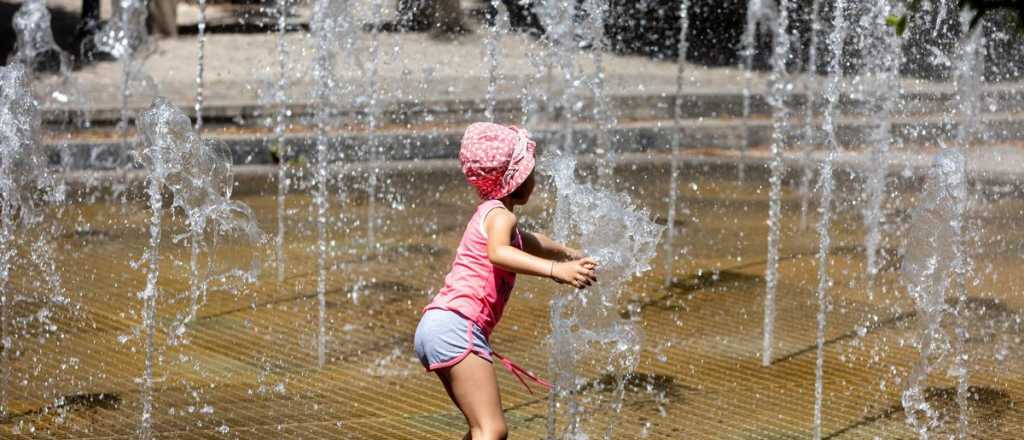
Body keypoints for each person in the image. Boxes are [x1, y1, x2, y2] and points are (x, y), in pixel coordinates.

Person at [413, 122, 598, 439]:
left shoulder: (491, 213)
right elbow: (500, 253)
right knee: (493, 429)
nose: (535, 180)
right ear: (516, 180)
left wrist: (567, 252)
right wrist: (557, 271)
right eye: (531, 173)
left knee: (479, 428)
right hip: (457, 328)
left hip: (441, 326)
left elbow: (531, 241)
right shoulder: (501, 217)